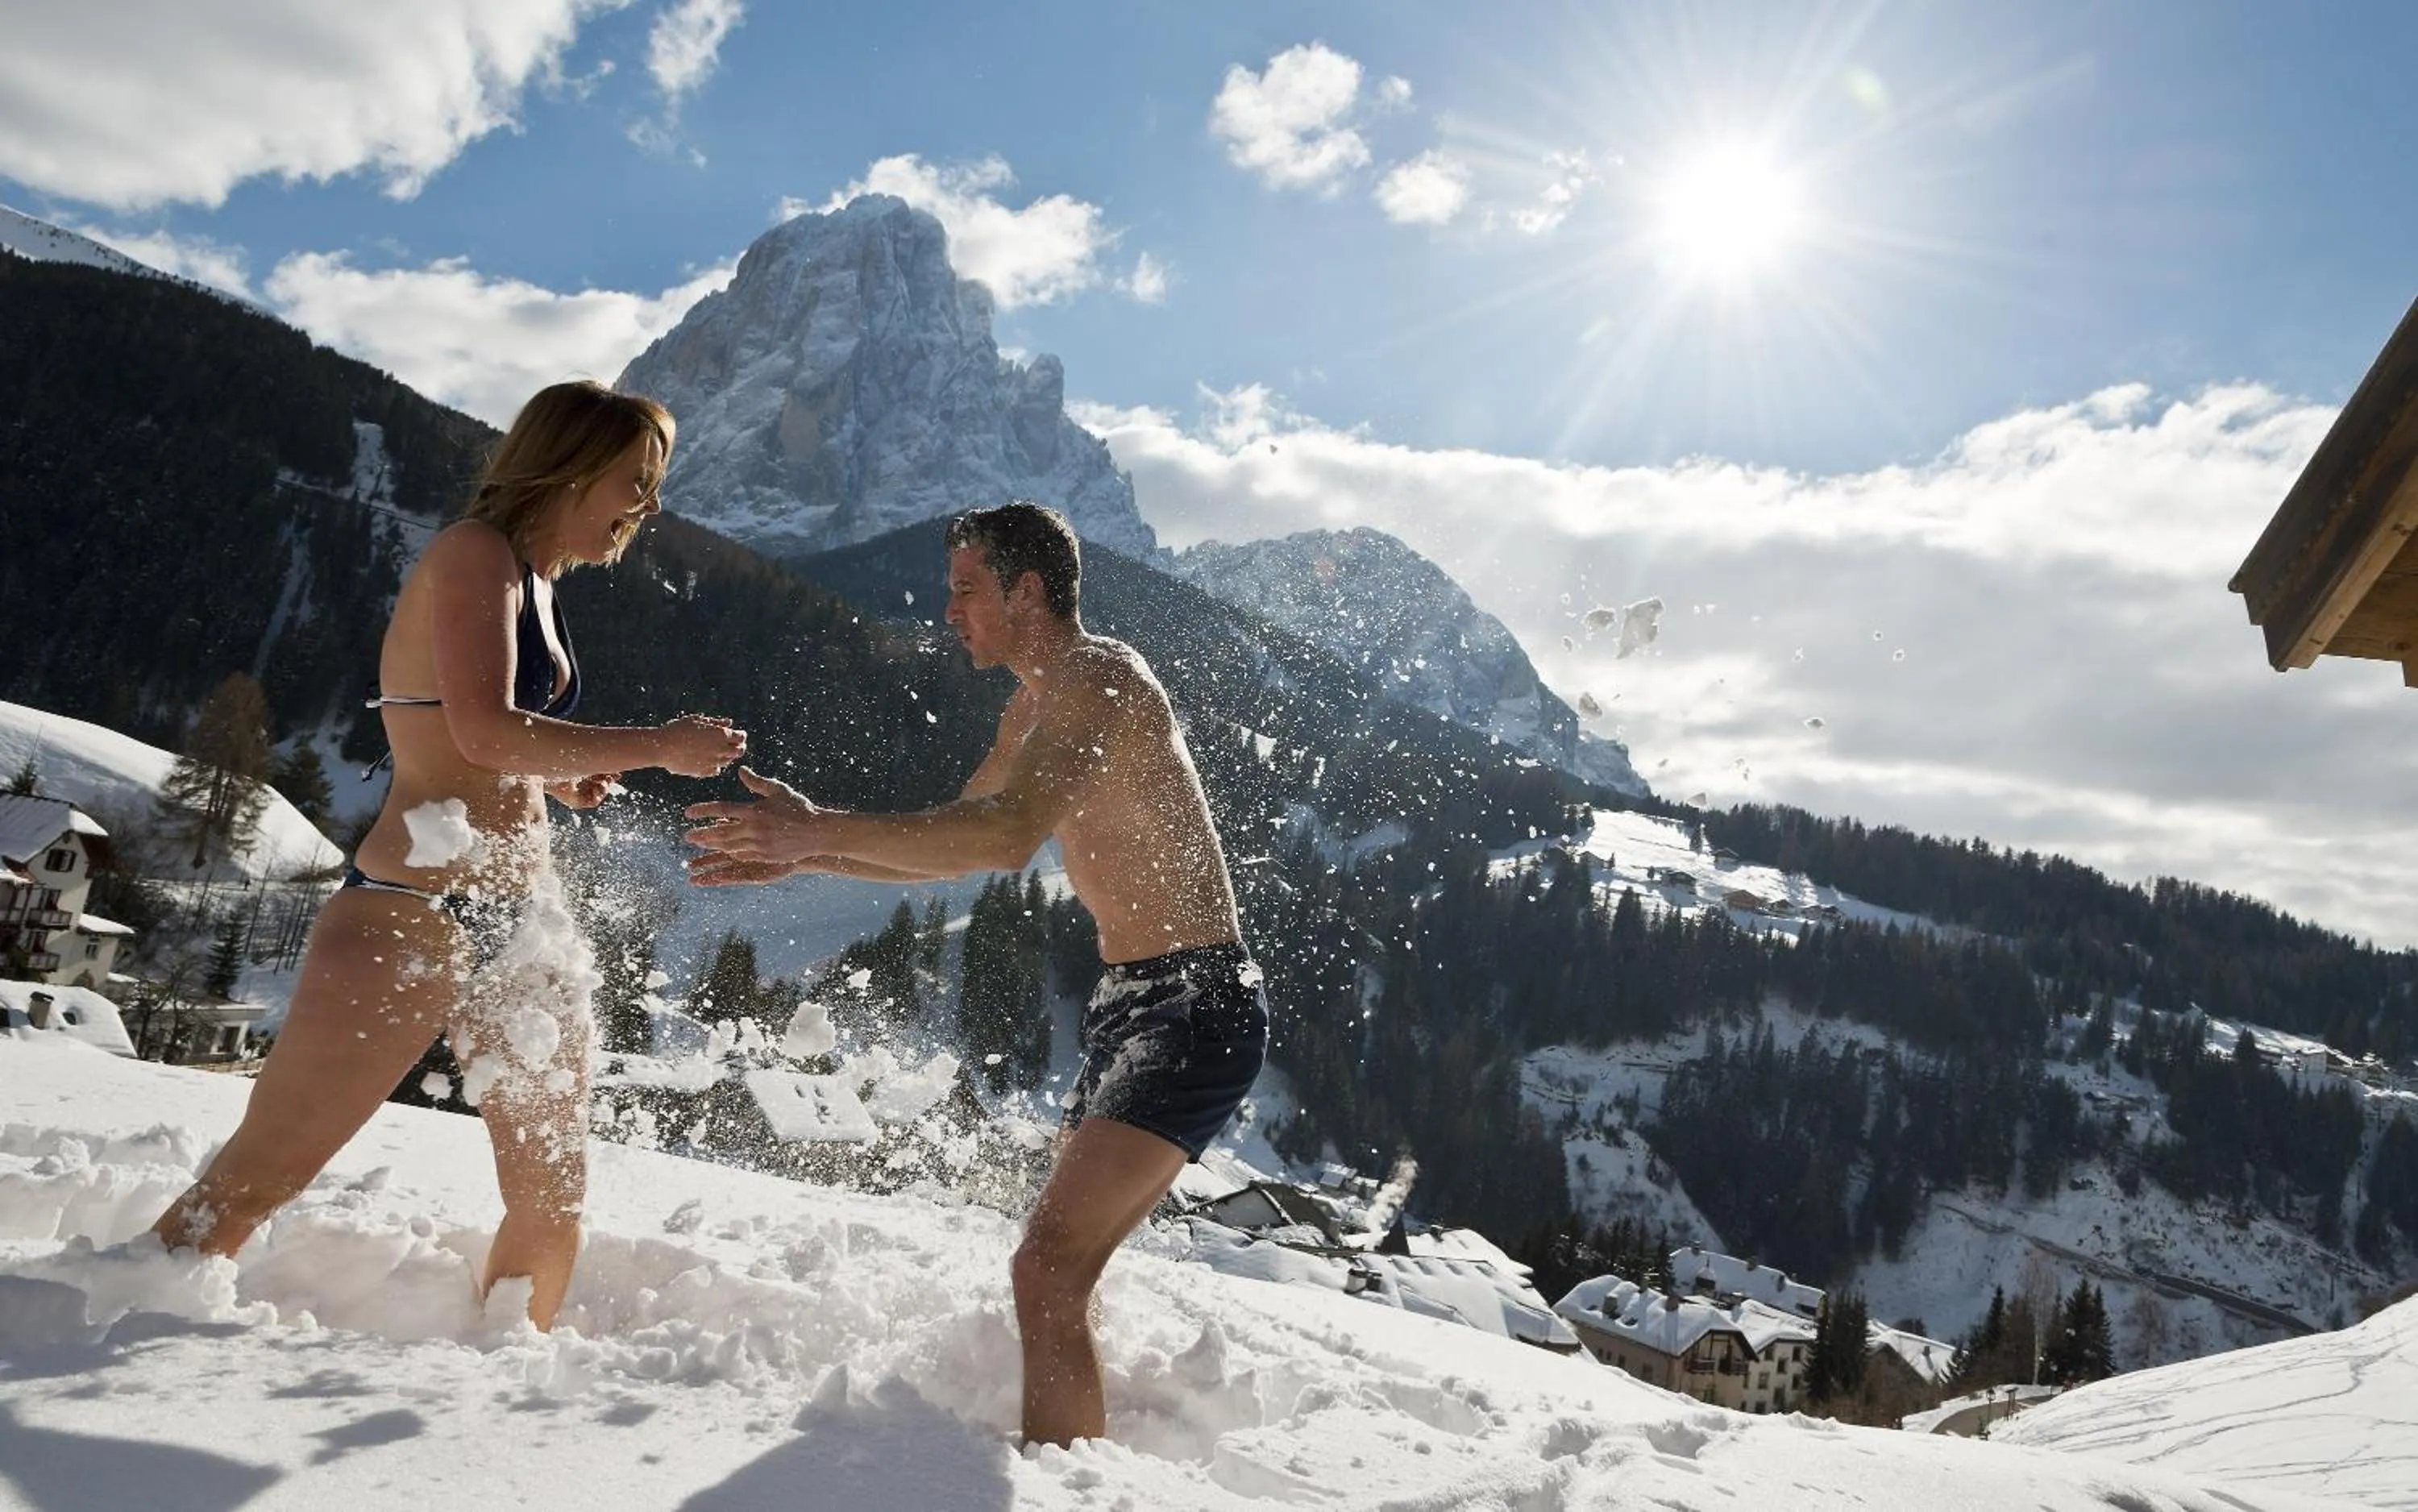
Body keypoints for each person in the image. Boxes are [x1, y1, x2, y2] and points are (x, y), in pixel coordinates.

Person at [152, 380, 746, 1329]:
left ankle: (505, 1399)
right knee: (259, 1176)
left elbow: (480, 737)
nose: (650, 505)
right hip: (409, 910)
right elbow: (479, 732)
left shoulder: (539, 581)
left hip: (523, 923)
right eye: (635, 479)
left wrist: (556, 782)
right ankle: (91, 1330)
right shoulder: (476, 553)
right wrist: (656, 742)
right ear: (570, 465)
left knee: (551, 1200)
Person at [683, 501, 1266, 1447]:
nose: (948, 610)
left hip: (1197, 1003)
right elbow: (953, 841)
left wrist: (815, 833)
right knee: (1059, 1272)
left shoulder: (1102, 679)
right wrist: (806, 852)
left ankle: (1068, 1482)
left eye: (965, 589)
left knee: (1045, 1270)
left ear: (1026, 588)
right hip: (1132, 1004)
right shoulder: (1034, 703)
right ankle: (1083, 1451)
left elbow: (1003, 841)